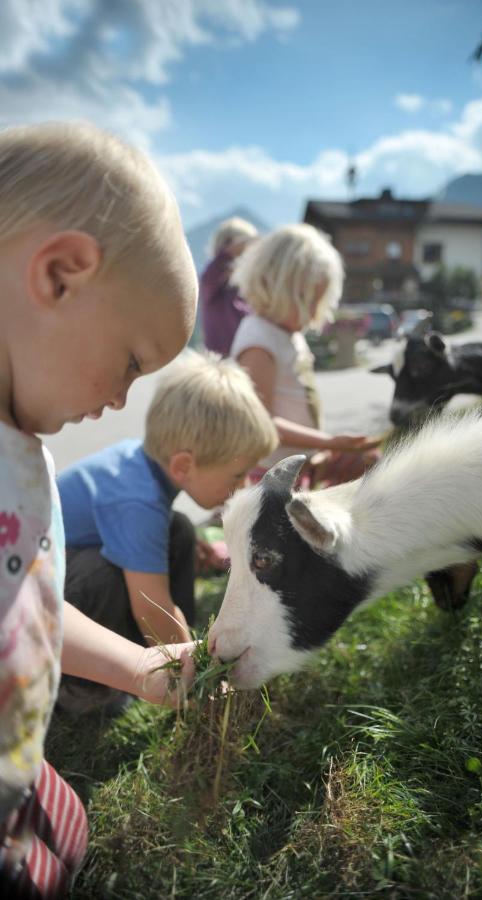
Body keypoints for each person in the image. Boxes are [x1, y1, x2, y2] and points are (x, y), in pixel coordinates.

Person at [0, 120, 199, 897]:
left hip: (19, 756)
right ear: (60, 276)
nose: (120, 399)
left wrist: (140, 667)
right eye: (128, 363)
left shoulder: (25, 447)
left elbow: (30, 599)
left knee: (67, 831)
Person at [57, 351, 278, 713]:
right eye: (236, 475)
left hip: (61, 579)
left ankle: (173, 650)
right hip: (42, 611)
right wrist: (202, 677)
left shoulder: (139, 466)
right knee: (106, 574)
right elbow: (152, 608)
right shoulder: (136, 503)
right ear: (183, 465)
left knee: (179, 529)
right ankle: (82, 690)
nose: (243, 486)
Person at [229, 223, 381, 486]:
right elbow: (261, 423)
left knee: (372, 463)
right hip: (269, 478)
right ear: (275, 287)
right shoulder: (258, 340)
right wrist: (328, 441)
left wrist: (321, 450)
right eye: (308, 301)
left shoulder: (288, 335)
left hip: (299, 468)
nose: (313, 314)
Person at [197, 216, 258, 355]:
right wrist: (228, 254)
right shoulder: (211, 283)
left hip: (244, 354)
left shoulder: (244, 287)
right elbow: (213, 272)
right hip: (220, 358)